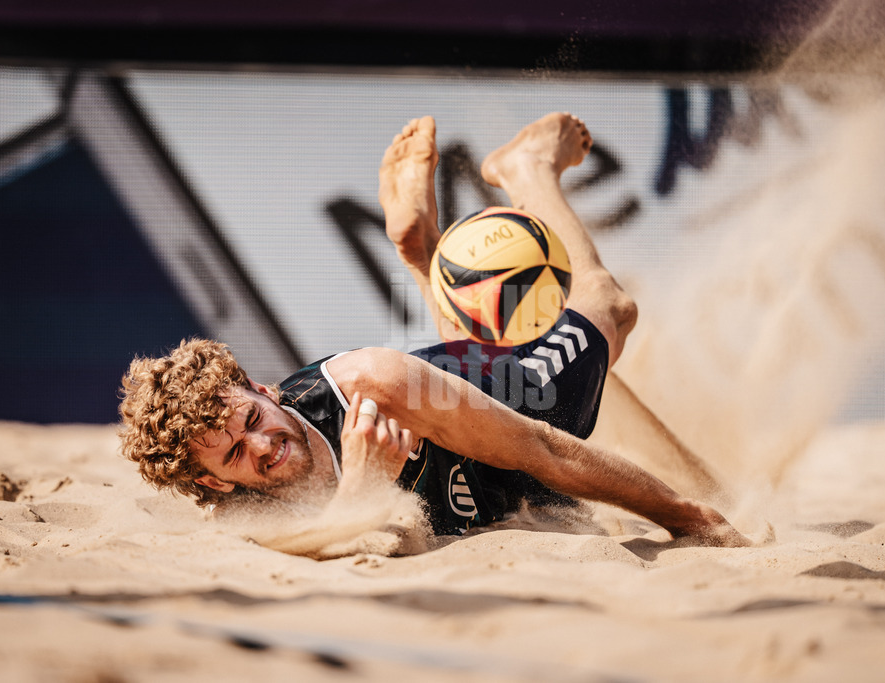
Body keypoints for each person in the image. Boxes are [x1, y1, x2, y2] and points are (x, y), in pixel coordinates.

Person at [119, 113, 749, 547]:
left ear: (264, 390)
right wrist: (360, 493)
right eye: (234, 454)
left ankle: (526, 169)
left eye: (253, 420)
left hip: (500, 410)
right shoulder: (235, 506)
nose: (262, 446)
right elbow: (307, 553)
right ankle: (421, 254)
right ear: (210, 480)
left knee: (607, 311)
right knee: (656, 442)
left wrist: (688, 519)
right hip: (477, 467)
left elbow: (544, 450)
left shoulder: (370, 386)